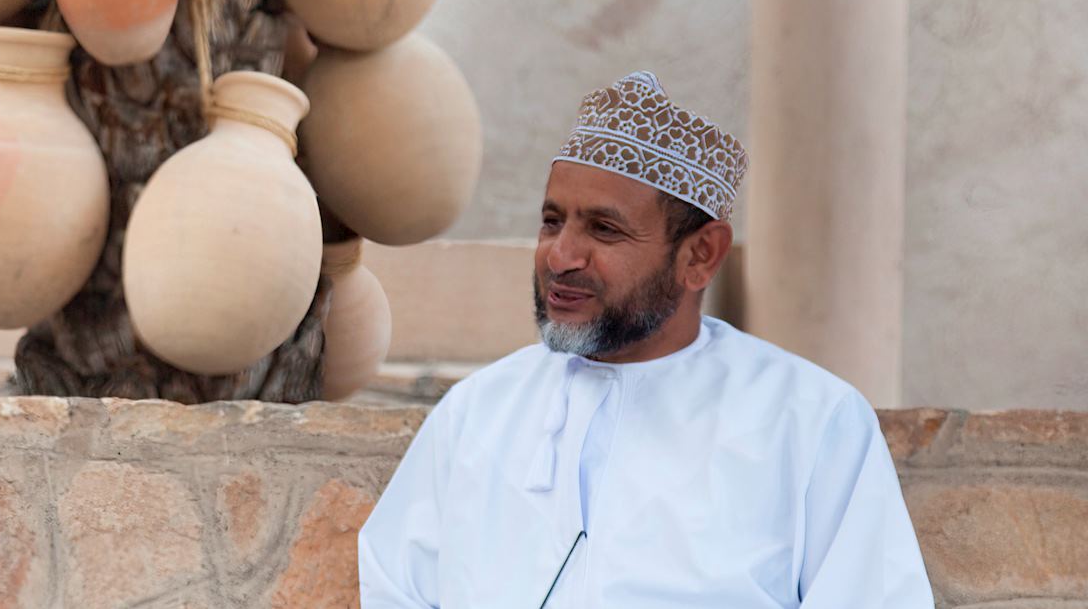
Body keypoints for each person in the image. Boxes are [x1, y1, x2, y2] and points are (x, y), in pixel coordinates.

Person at [357, 72, 933, 607]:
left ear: (699, 255)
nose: (561, 256)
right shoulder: (476, 413)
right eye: (552, 220)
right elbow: (393, 588)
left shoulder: (810, 422)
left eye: (604, 229)